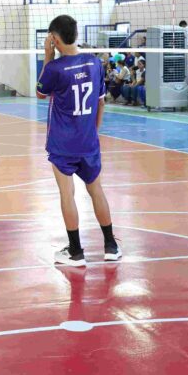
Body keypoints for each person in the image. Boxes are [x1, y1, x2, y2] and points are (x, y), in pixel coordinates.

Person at [36, 14, 120, 266]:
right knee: (96, 190)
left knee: (67, 193)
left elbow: (41, 93)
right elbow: (101, 101)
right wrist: (94, 130)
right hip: (88, 142)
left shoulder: (54, 69)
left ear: (54, 38)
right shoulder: (94, 63)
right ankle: (111, 246)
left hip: (63, 144)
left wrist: (48, 57)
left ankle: (75, 251)